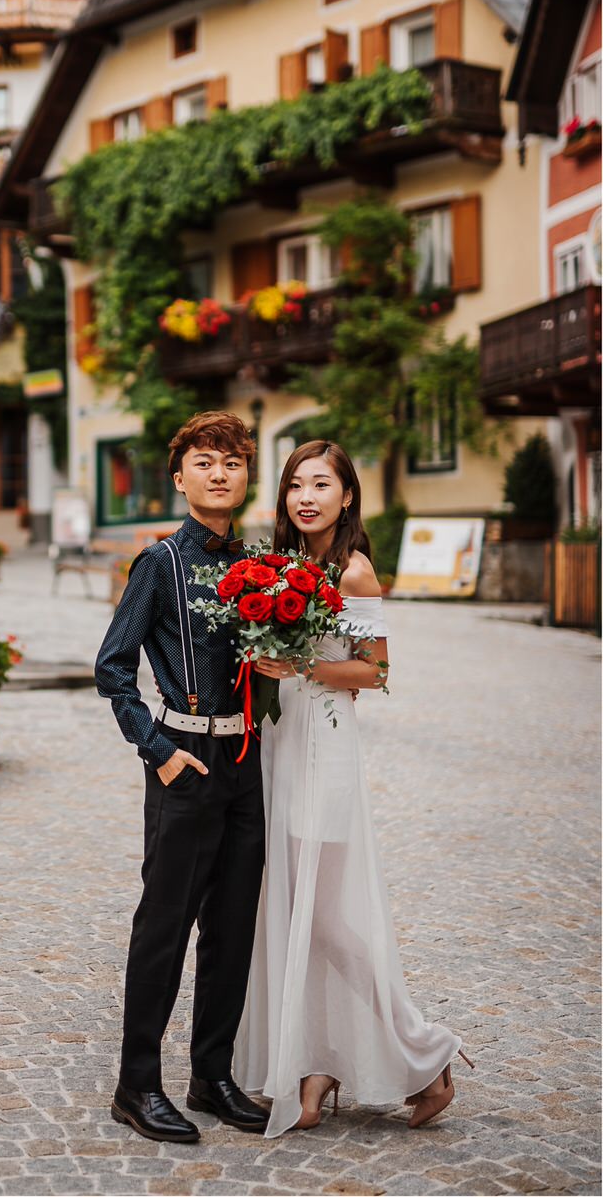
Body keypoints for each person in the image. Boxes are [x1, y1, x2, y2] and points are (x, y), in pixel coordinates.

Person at [234, 439, 473, 1137]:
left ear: (346, 496)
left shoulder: (356, 573)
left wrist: (297, 661)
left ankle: (426, 1052)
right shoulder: (282, 567)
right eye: (295, 485)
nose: (306, 496)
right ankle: (315, 1065)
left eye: (321, 484)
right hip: (281, 746)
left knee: (327, 918)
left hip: (326, 746)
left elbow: (375, 672)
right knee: (290, 909)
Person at [95, 411, 270, 1143]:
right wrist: (157, 748)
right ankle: (136, 1085)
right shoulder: (160, 562)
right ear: (180, 475)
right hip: (185, 765)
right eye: (204, 460)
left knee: (231, 929)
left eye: (231, 461)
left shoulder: (260, 566)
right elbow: (112, 667)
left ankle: (211, 1074)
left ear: (246, 475)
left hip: (244, 764)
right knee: (163, 927)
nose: (219, 472)